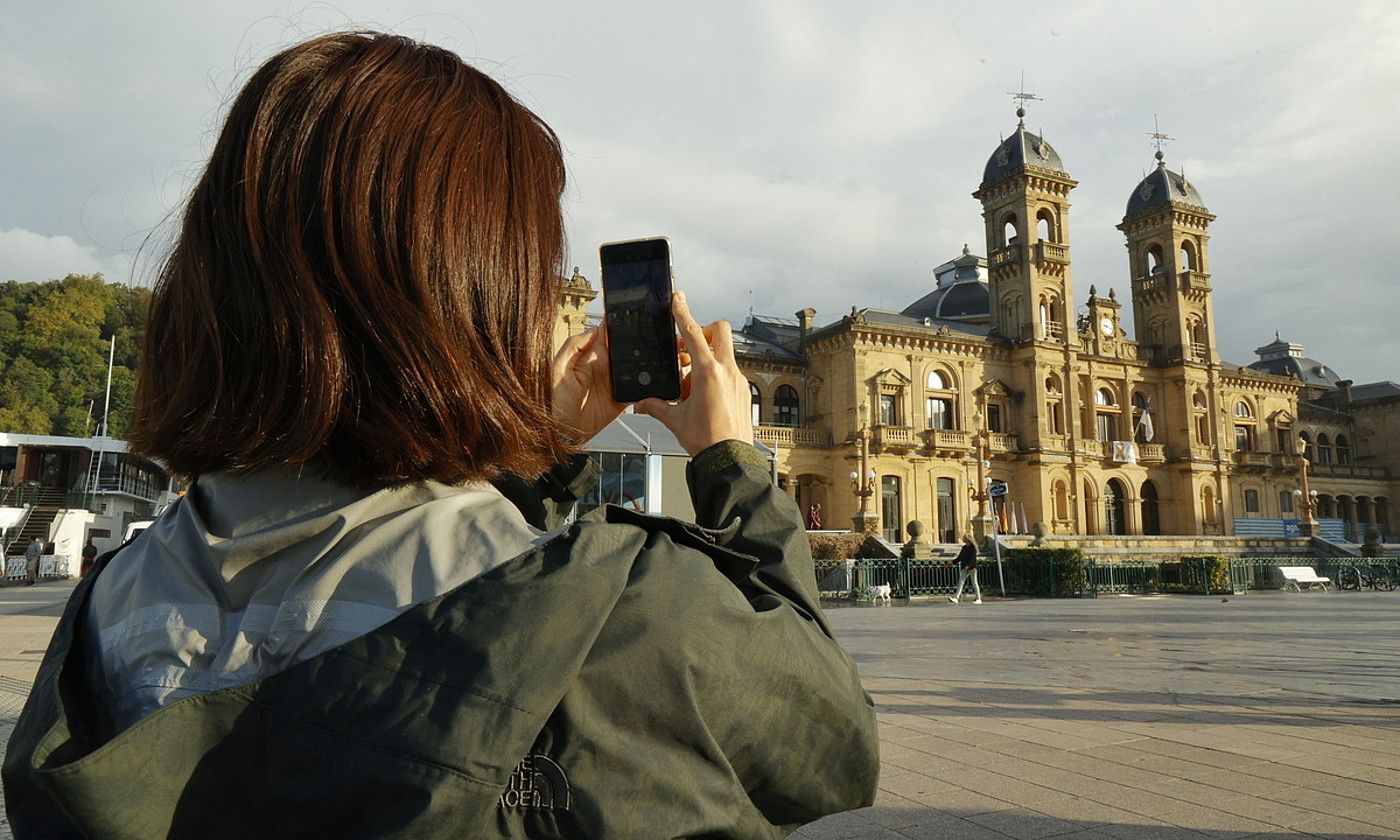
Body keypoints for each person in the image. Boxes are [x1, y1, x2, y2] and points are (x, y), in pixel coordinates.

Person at [2, 32, 878, 839]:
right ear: (471, 296)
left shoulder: (109, 603)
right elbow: (829, 746)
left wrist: (523, 460)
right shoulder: (619, 610)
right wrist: (732, 463)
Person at [948, 532, 983, 605]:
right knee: (961, 581)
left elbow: (973, 558)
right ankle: (956, 598)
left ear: (968, 539)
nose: (963, 539)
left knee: (974, 582)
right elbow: (960, 558)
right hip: (964, 567)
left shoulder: (973, 548)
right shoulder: (964, 548)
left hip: (972, 567)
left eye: (964, 538)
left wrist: (968, 565)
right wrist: (952, 562)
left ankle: (978, 598)